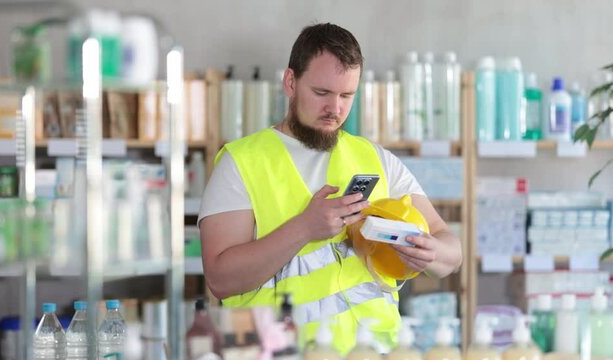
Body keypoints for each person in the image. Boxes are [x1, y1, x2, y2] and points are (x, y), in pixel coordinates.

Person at [198, 23, 462, 354]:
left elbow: (451, 250)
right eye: (322, 93)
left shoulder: (375, 159)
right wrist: (304, 228)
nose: (335, 109)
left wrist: (430, 253)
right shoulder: (241, 162)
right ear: (290, 82)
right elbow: (220, 279)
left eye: (346, 95)